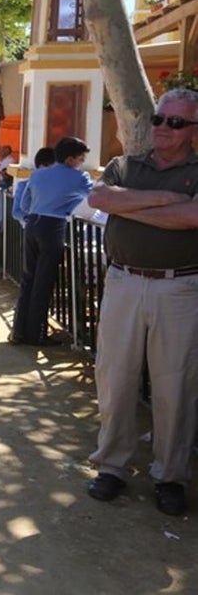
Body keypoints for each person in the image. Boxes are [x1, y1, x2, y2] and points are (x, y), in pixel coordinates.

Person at [84, 89, 198, 517]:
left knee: (176, 387)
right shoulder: (126, 164)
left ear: (193, 131)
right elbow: (99, 199)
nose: (163, 128)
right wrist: (170, 201)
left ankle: (170, 476)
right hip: (124, 282)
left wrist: (128, 206)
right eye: (159, 118)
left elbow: (194, 218)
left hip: (180, 290)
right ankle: (111, 466)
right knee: (114, 378)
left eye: (176, 122)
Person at [9, 136, 92, 347]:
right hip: (53, 226)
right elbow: (94, 199)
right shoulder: (79, 177)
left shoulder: (38, 174)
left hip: (33, 223)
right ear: (71, 159)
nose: (82, 162)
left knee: (28, 279)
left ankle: (19, 330)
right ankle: (36, 334)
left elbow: (26, 202)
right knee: (43, 282)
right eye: (81, 158)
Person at [10, 147, 56, 227]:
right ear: (40, 166)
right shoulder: (24, 185)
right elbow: (16, 211)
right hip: (32, 228)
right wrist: (29, 218)